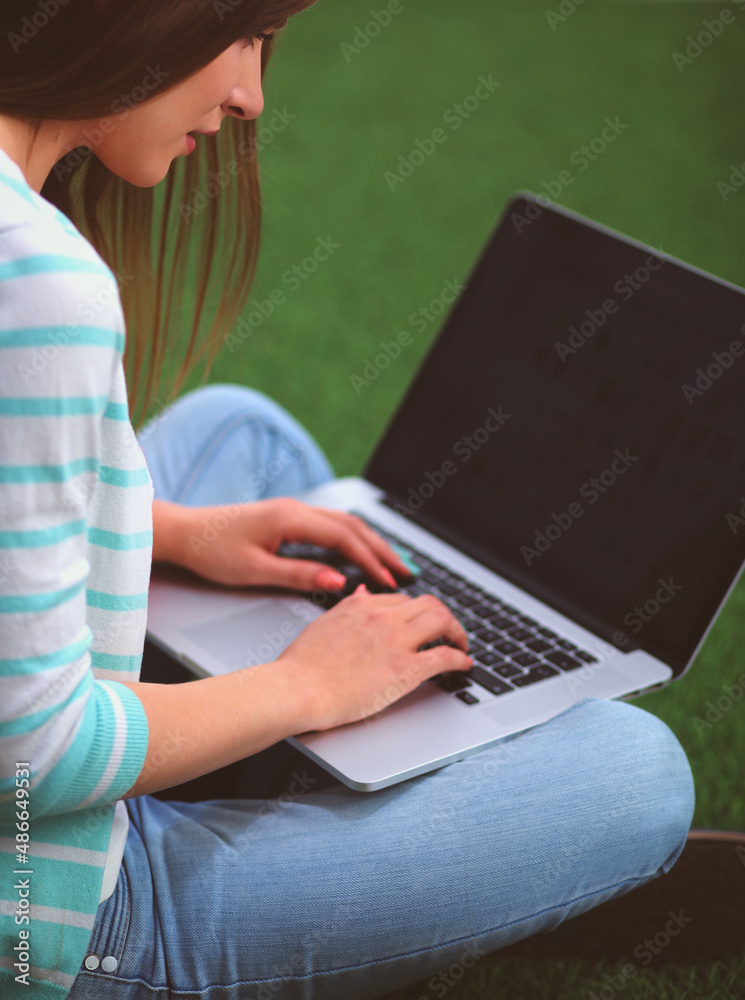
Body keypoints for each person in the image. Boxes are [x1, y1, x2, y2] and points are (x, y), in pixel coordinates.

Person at [0, 2, 705, 998]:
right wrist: (308, 687)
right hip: (58, 925)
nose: (249, 96)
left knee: (240, 437)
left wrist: (174, 533)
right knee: (638, 771)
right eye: (241, 36)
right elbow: (35, 756)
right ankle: (298, 763)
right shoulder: (41, 284)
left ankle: (280, 751)